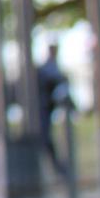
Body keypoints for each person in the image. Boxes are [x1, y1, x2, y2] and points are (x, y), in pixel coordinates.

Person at [35, 42, 73, 178]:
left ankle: (60, 170)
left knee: (46, 140)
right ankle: (59, 170)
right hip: (43, 109)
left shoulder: (50, 66)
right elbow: (57, 79)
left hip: (45, 109)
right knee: (45, 140)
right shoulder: (49, 67)